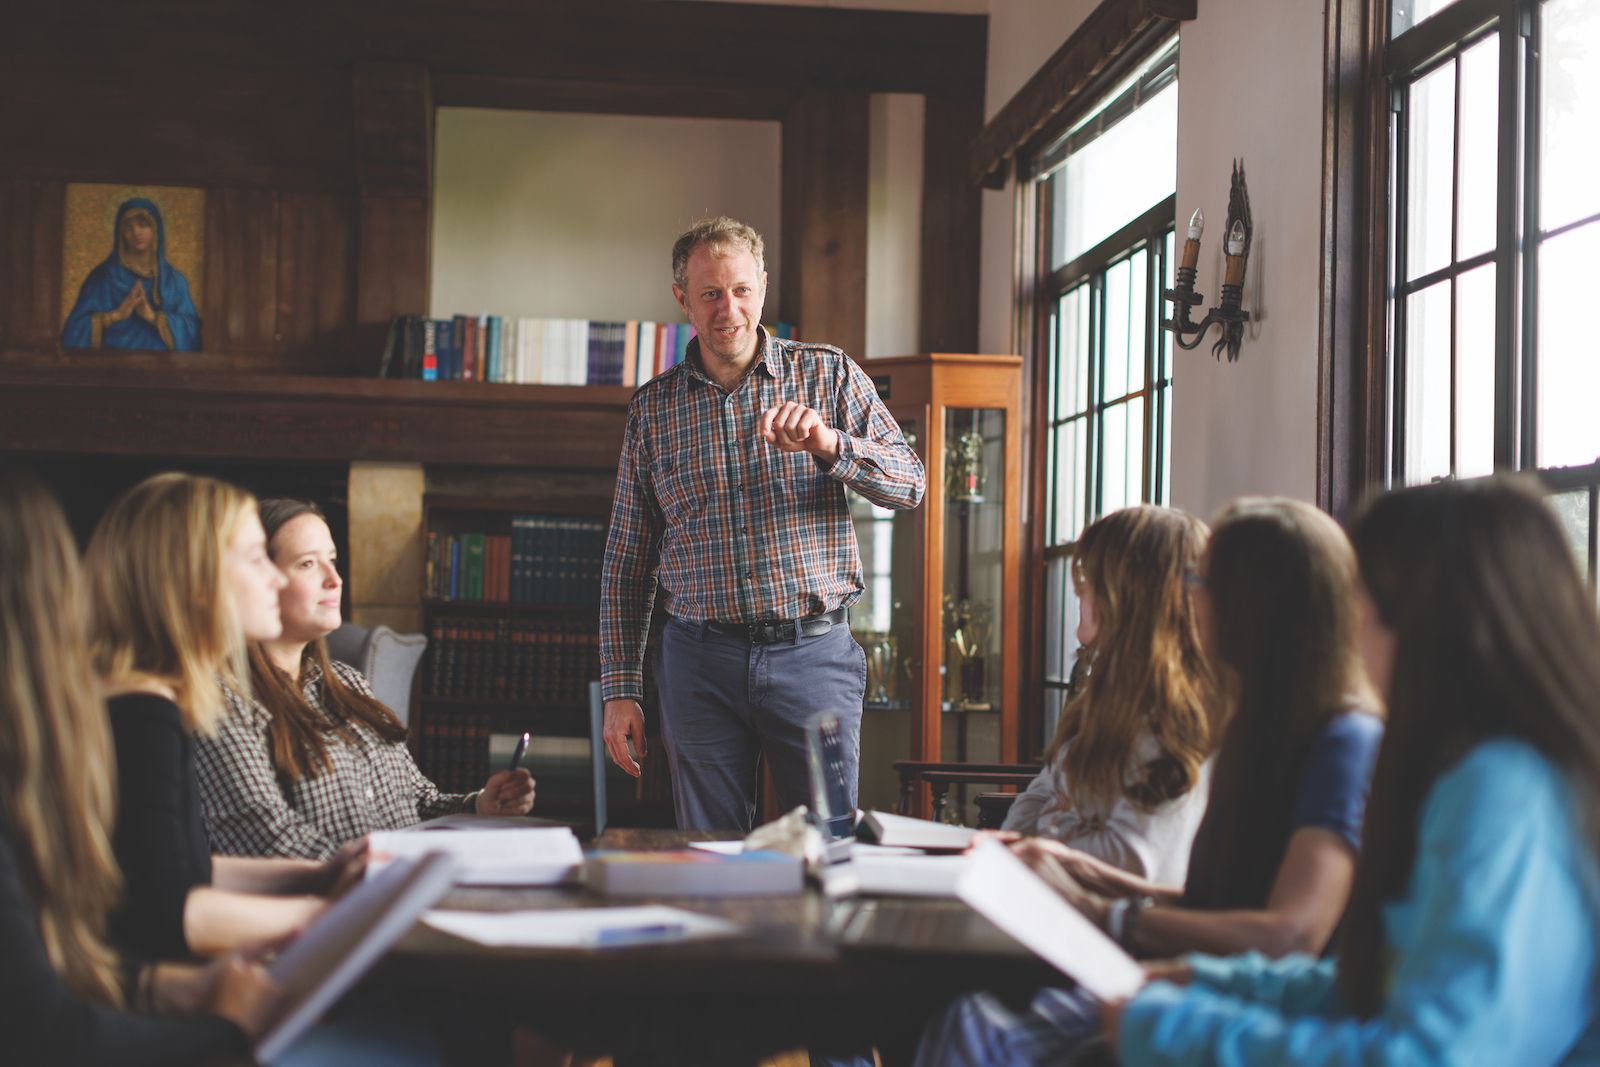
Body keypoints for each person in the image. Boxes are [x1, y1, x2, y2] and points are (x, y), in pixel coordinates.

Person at [1110, 477, 1600, 1064]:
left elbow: (1424, 1056)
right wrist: (1213, 984)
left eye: (1364, 608)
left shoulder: (1502, 789)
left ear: (1422, 628)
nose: (1354, 633)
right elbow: (1376, 984)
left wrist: (1169, 1030)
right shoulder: (1488, 770)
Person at [918, 498, 1384, 1066]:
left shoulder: (1344, 741)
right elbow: (1218, 902)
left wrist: (1102, 911)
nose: (1190, 601)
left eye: (1204, 583)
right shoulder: (1262, 725)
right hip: (1215, 983)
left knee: (975, 1029)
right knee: (962, 1015)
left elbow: (1291, 938)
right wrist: (1077, 869)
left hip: (1260, 1011)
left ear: (1258, 607)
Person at [599, 216, 925, 831]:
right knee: (712, 856)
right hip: (698, 664)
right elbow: (625, 562)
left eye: (742, 290)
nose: (729, 309)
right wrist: (621, 689)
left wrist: (832, 445)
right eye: (711, 293)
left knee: (826, 847)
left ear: (763, 288)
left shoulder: (829, 375)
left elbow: (911, 483)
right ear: (682, 301)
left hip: (813, 656)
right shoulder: (653, 409)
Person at [0, 468, 278, 1065]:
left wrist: (164, 988)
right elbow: (158, 905)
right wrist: (228, 1024)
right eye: (259, 558)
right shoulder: (140, 709)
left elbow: (49, 970)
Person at [86, 473, 357, 960]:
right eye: (257, 559)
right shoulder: (140, 714)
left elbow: (181, 868)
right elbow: (166, 914)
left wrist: (322, 874)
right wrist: (343, 915)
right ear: (196, 585)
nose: (276, 579)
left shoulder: (158, 698)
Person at [197, 498, 535, 860]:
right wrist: (397, 870)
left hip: (403, 886)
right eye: (308, 564)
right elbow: (265, 840)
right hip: (339, 902)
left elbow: (418, 801)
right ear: (259, 578)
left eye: (333, 559)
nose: (334, 579)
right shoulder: (221, 701)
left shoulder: (349, 684)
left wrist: (481, 805)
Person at [1001, 505, 1218, 885]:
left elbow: (1133, 860)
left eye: (1088, 584)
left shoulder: (1171, 715)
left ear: (1128, 597)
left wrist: (1046, 835)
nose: (1078, 594)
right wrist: (1058, 826)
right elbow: (1036, 798)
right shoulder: (1108, 692)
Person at [61, 197, 202, 351]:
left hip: (164, 367)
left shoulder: (174, 281)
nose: (136, 232)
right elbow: (72, 332)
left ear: (156, 229)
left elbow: (193, 332)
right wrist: (115, 316)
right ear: (120, 234)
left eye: (143, 225)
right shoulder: (103, 277)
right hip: (110, 367)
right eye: (128, 227)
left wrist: (153, 317)